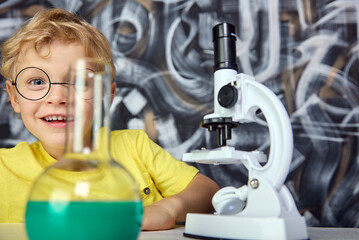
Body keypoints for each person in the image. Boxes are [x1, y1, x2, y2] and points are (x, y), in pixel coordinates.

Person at [0, 8, 219, 230]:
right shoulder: (3, 168)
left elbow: (208, 191)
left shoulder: (135, 147)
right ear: (14, 97)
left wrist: (168, 209)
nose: (57, 98)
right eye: (37, 82)